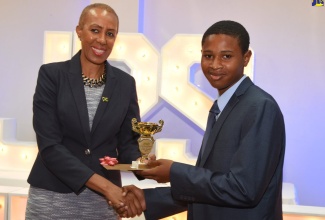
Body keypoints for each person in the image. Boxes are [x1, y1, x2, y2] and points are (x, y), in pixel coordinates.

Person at [118, 20, 286, 220]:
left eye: (226, 56)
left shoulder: (259, 107)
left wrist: (174, 172)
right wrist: (148, 199)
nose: (215, 65)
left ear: (246, 58)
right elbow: (212, 187)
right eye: (208, 56)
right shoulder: (222, 106)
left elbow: (243, 189)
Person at [25, 3, 145, 219]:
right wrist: (107, 188)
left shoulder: (125, 84)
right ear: (79, 31)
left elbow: (128, 144)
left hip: (103, 206)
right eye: (95, 30)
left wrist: (143, 164)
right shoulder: (52, 75)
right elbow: (50, 147)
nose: (102, 40)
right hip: (52, 200)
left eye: (110, 34)